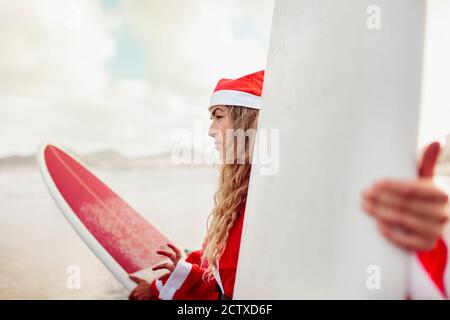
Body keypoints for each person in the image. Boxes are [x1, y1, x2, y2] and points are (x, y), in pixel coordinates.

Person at [128, 70, 450, 300]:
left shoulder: (287, 195)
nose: (210, 131)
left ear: (249, 120)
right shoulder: (245, 191)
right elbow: (226, 260)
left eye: (219, 116)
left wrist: (430, 236)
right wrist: (178, 275)